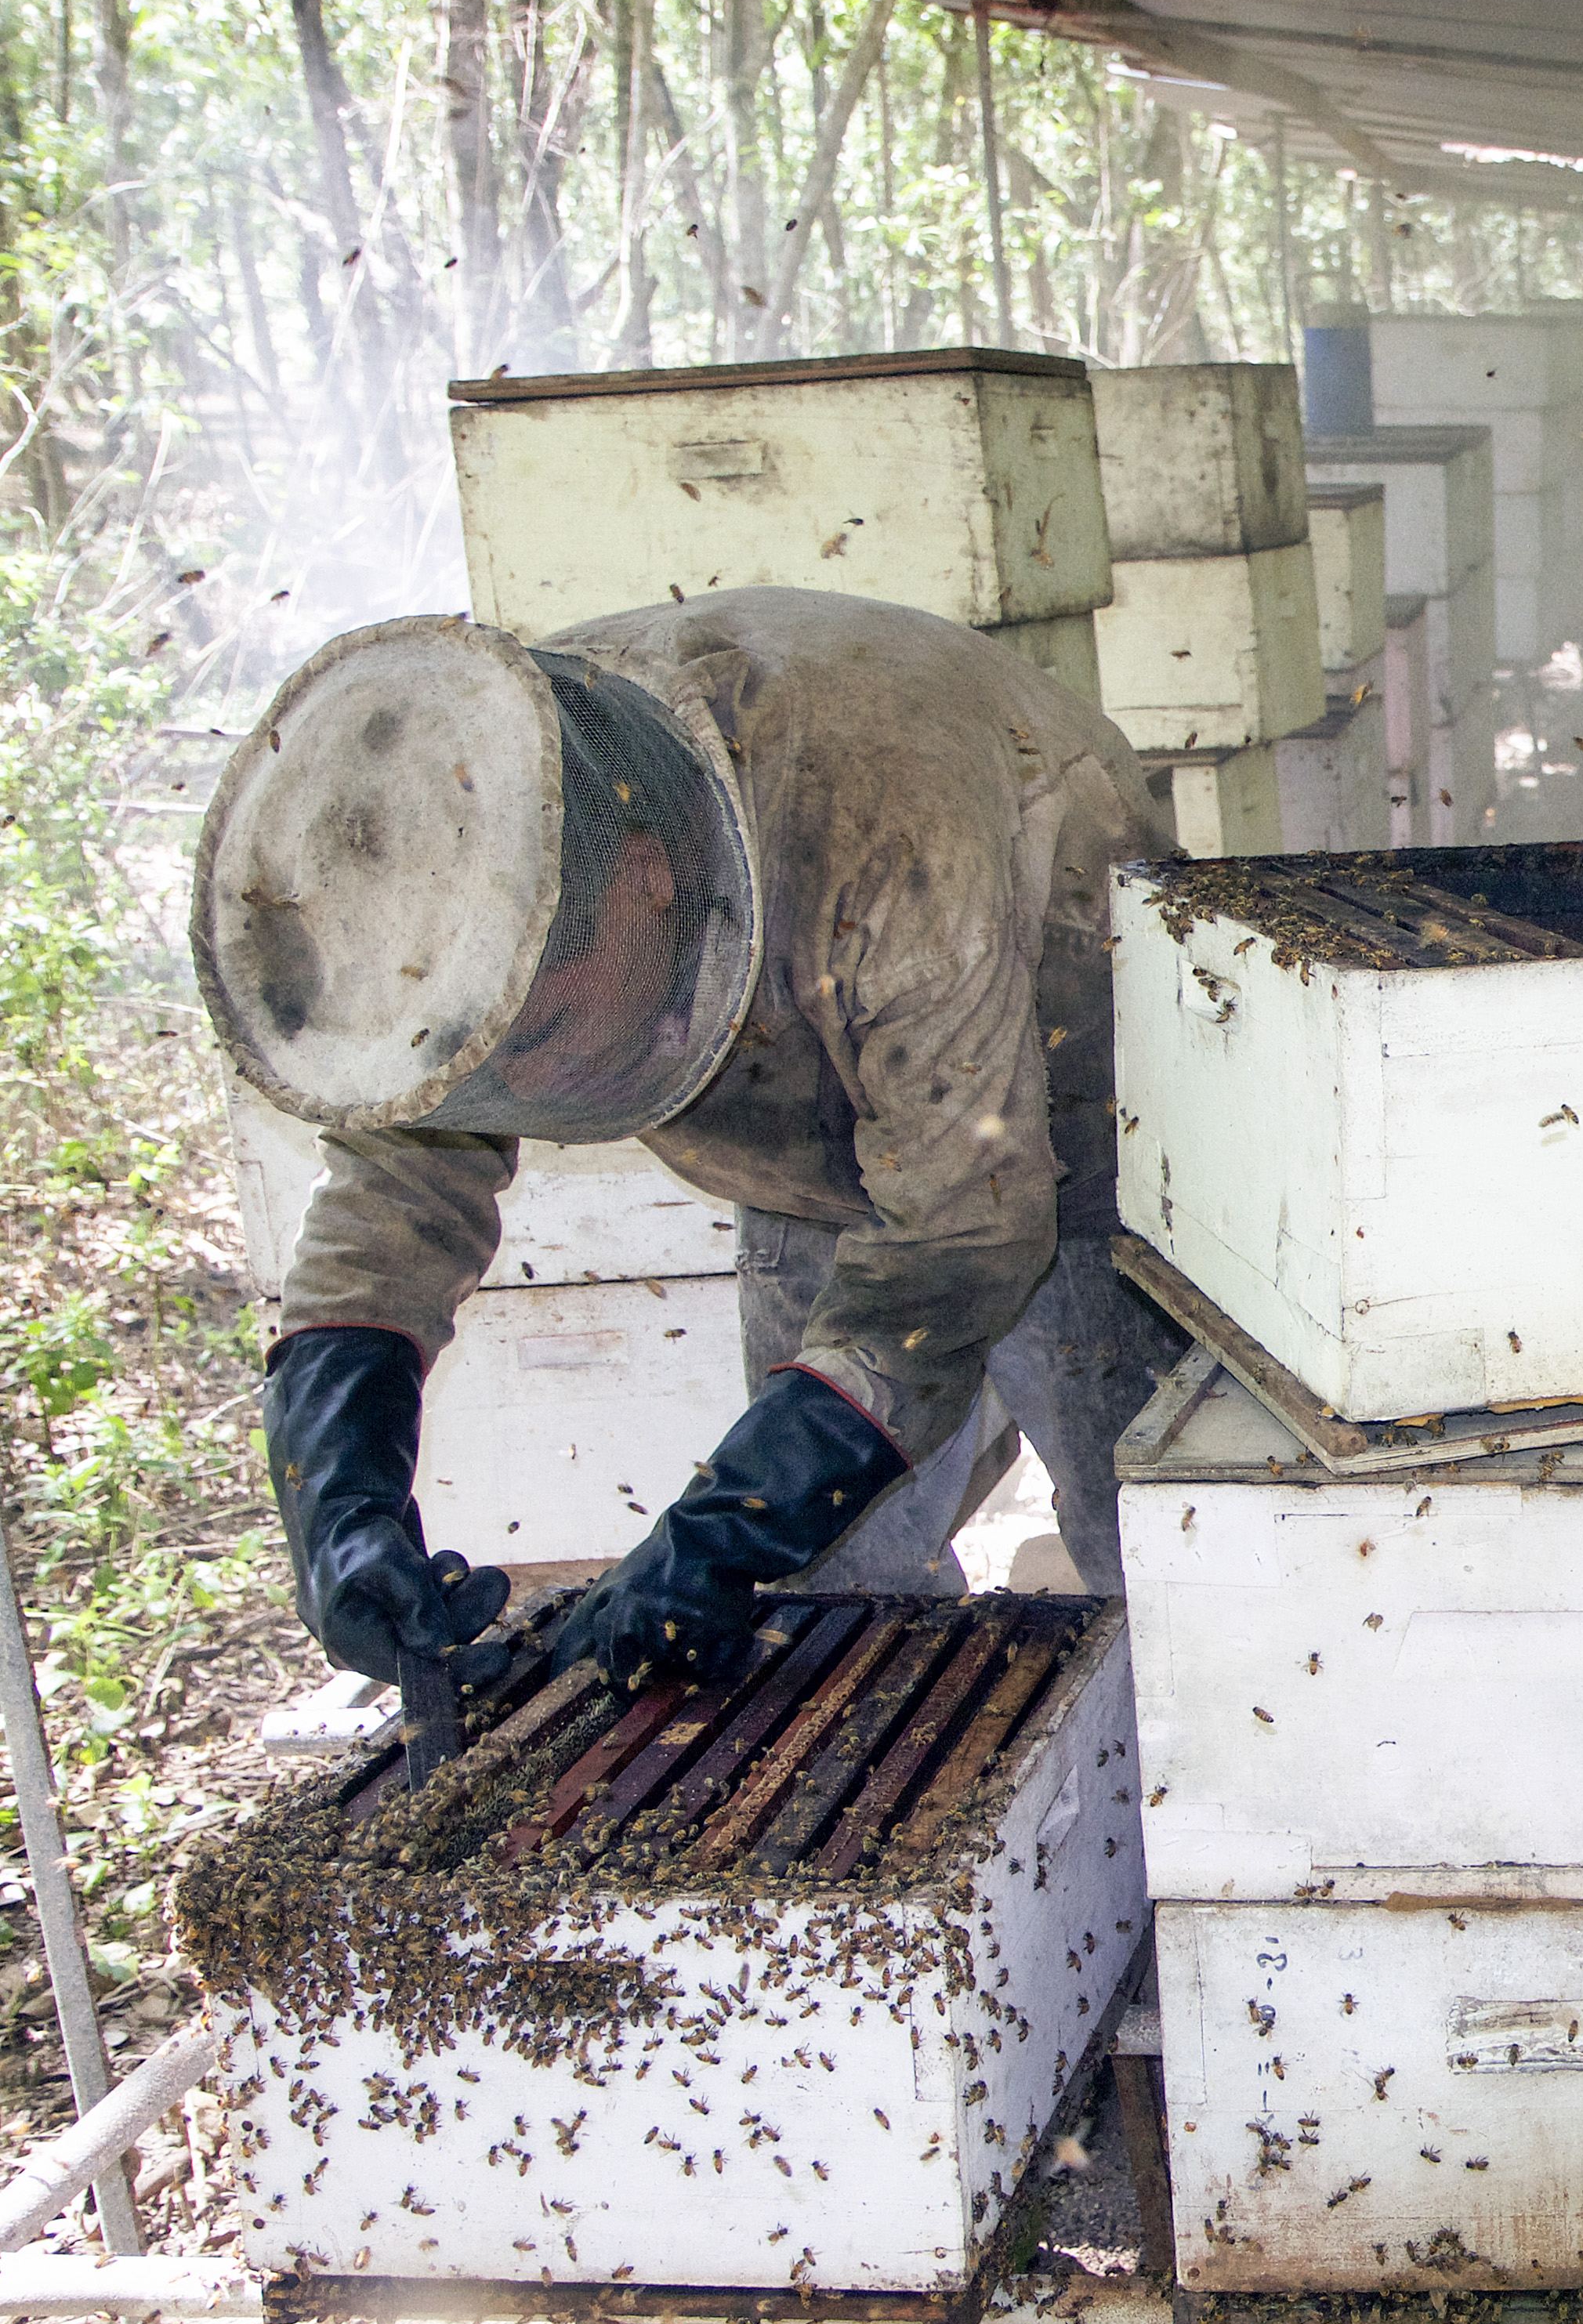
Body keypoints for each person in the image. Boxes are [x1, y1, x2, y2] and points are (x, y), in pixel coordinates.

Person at [192, 588, 1185, 1698]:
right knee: (822, 1575)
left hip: (1080, 1082)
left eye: (556, 1034)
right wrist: (338, 1497)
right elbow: (394, 1190)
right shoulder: (490, 821)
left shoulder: (888, 835)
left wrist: (706, 1537)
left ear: (646, 874)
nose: (541, 1087)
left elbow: (969, 1221)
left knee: (1153, 1545)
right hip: (819, 1125)